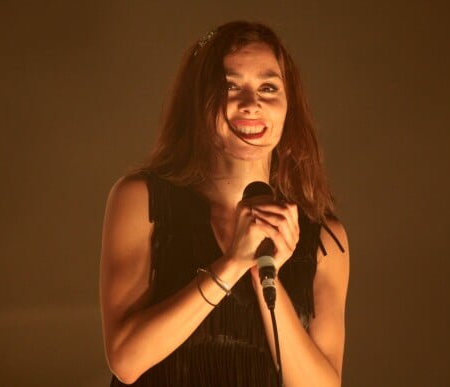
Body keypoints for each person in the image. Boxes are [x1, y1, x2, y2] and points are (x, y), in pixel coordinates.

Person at [99, 21, 349, 387]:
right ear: (199, 100)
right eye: (231, 86)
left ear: (288, 105)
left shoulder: (326, 239)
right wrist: (233, 262)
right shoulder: (142, 199)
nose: (251, 104)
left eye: (268, 87)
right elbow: (126, 360)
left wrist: (267, 276)